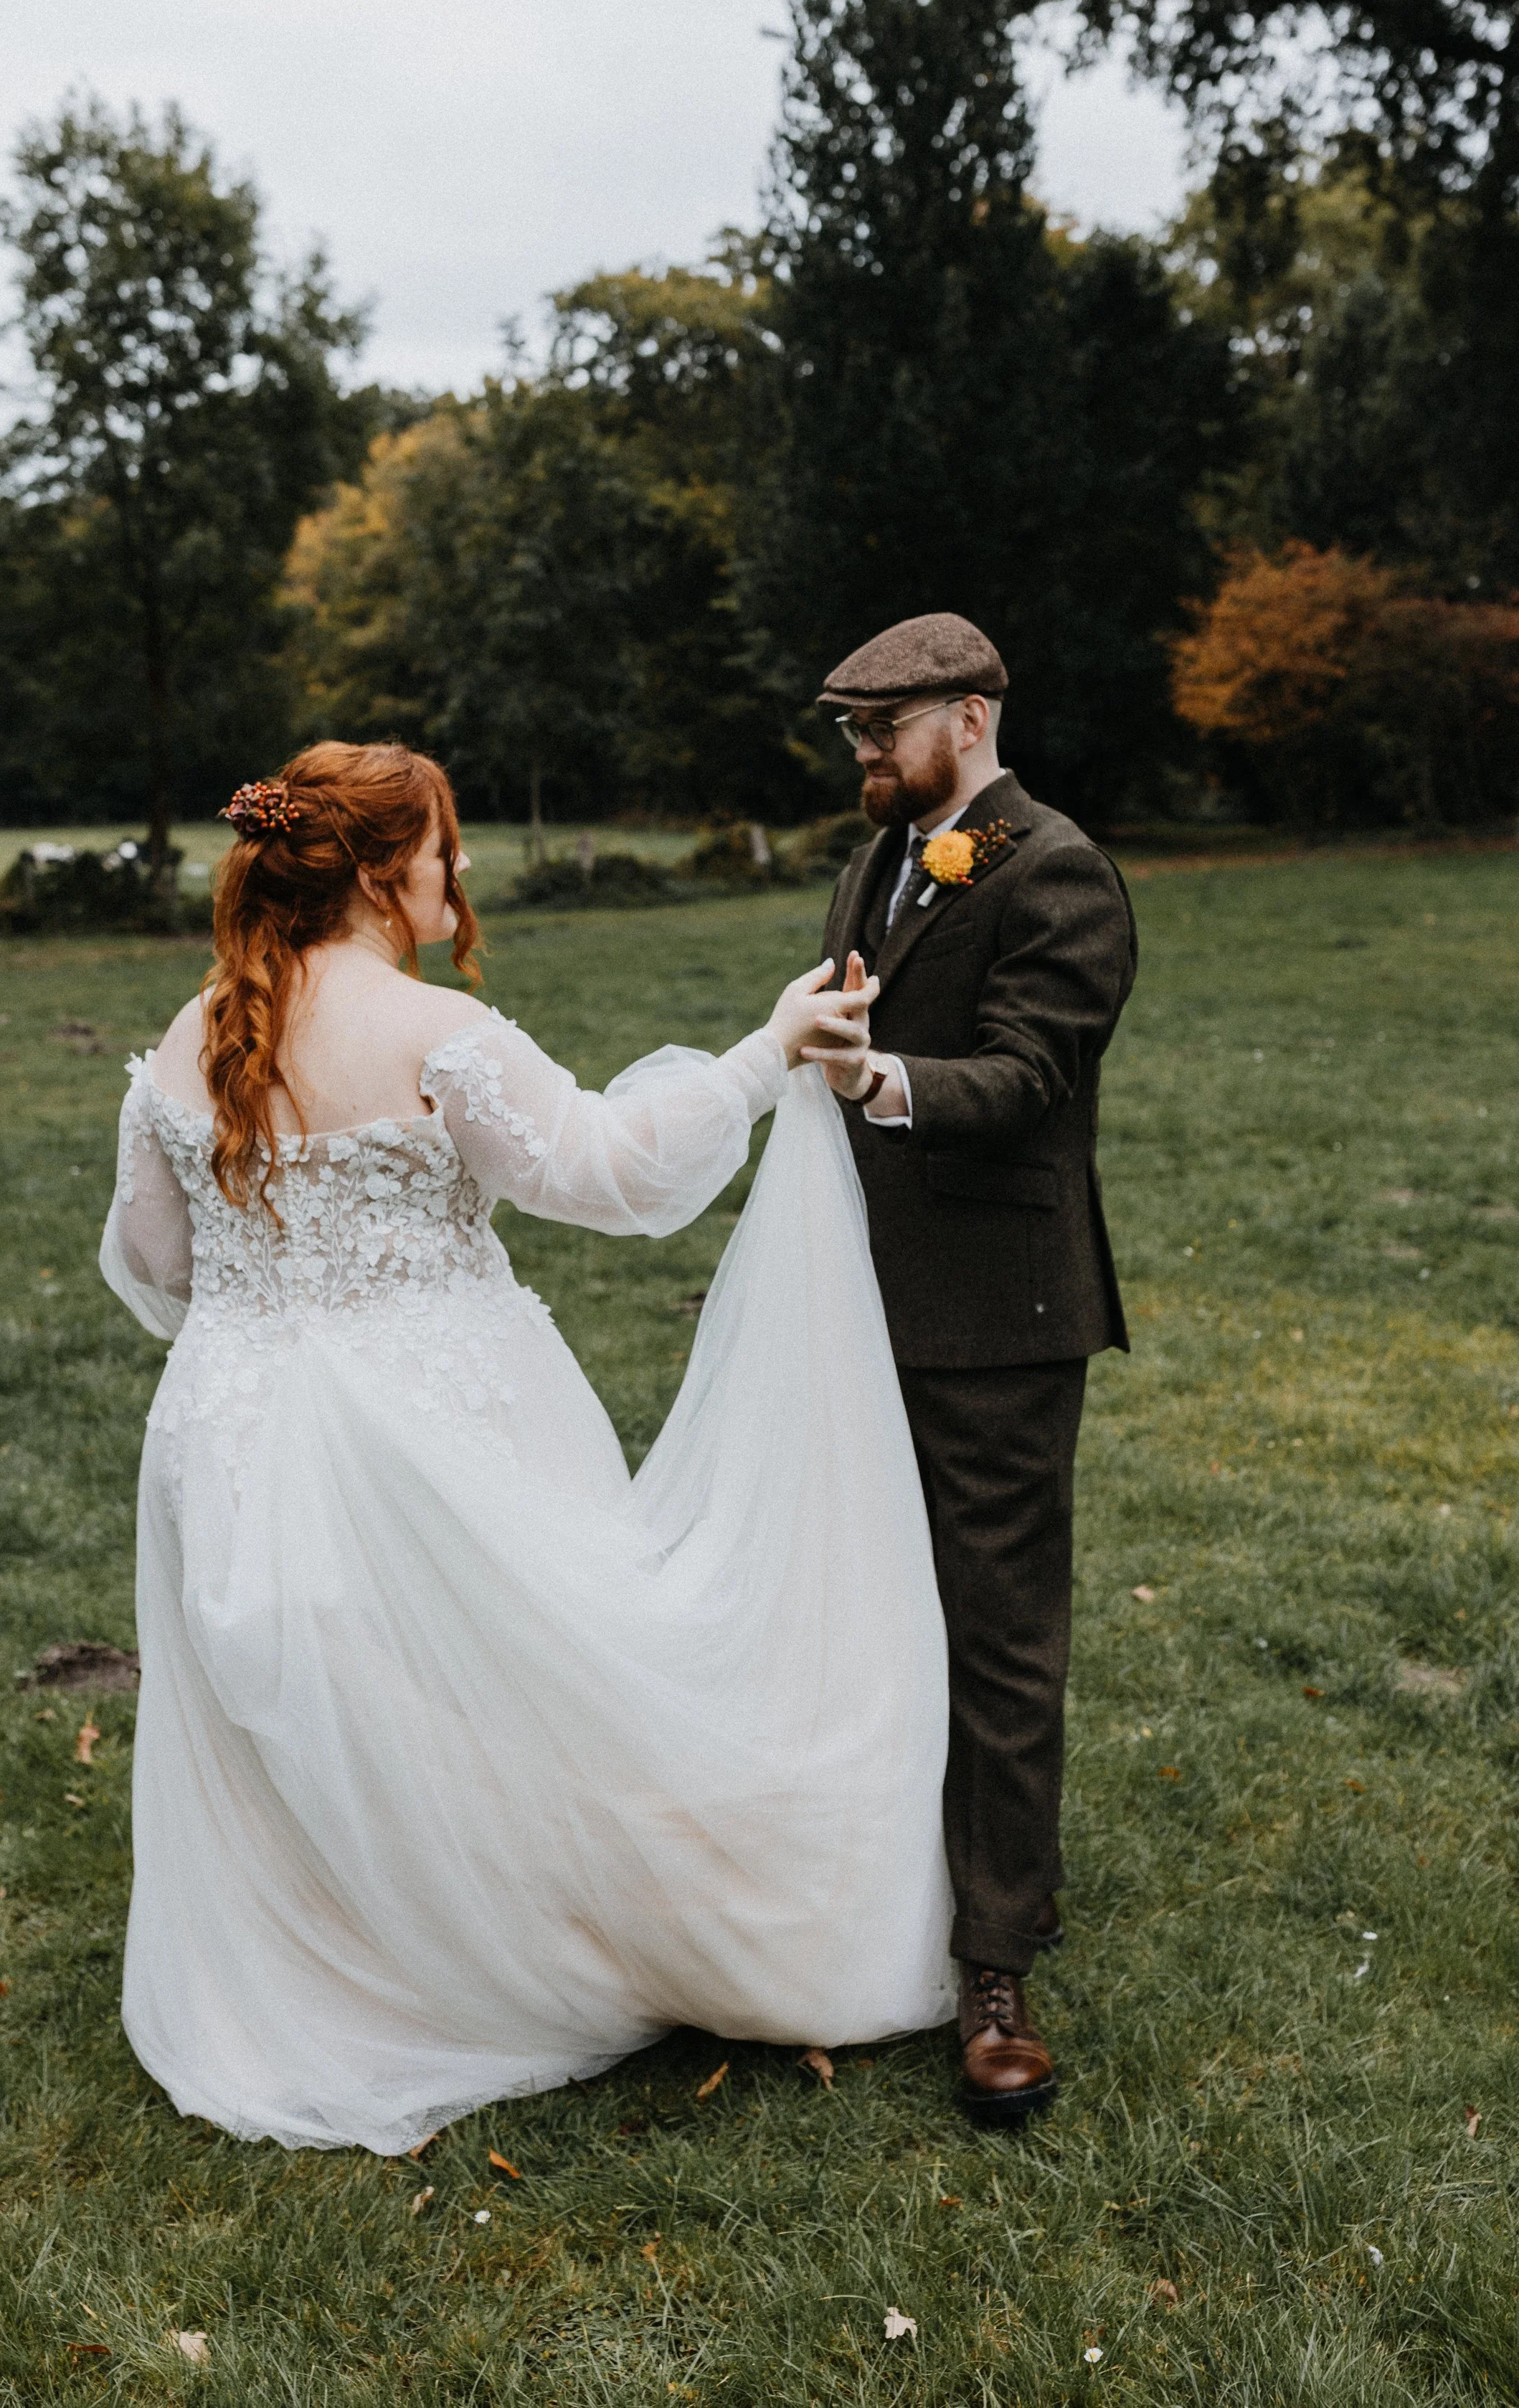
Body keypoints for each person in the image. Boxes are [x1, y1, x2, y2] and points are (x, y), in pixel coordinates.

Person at [98, 738, 955, 2154]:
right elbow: (610, 1174)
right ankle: (517, 1944)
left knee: (319, 1712)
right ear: (384, 871)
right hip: (436, 1413)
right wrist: (765, 1054)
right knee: (498, 1693)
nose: (462, 869)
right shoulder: (434, 1032)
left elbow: (152, 1256)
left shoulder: (197, 1031)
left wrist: (275, 1315)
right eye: (444, 847)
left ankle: (347, 1957)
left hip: (232, 1422)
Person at [806, 612, 1137, 2124]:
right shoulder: (875, 859)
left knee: (997, 1643)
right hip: (858, 1304)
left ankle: (994, 1967)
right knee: (871, 1612)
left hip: (999, 1316)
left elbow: (1026, 1073)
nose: (866, 754)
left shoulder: (1056, 869)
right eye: (854, 733)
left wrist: (878, 1079)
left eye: (884, 729)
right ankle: (880, 1896)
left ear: (970, 716)